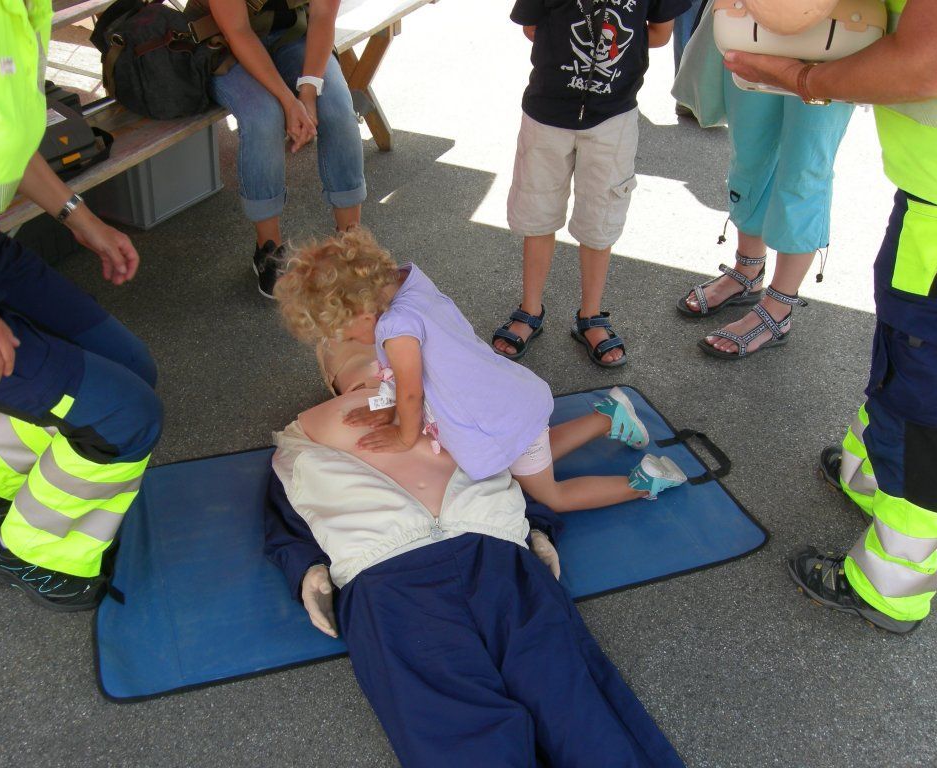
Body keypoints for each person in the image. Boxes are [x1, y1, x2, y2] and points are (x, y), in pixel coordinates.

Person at [264, 370, 685, 767]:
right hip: (387, 579)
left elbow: (520, 475)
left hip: (495, 553)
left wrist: (534, 528)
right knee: (454, 728)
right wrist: (307, 570)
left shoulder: (450, 404)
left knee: (568, 697)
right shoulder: (299, 445)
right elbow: (288, 515)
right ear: (331, 380)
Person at [0, 0, 162, 611]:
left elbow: (4, 135)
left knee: (131, 368)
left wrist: (80, 218)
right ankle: (31, 550)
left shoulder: (22, 10)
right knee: (126, 414)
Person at [722, 0, 937, 633]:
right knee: (902, 356)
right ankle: (868, 472)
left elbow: (923, 61)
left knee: (925, 403)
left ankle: (891, 587)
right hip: (926, 198)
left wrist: (805, 81)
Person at [274, 228, 688, 512]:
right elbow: (408, 379)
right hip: (506, 395)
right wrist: (384, 410)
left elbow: (412, 392)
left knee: (550, 495)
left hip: (497, 418)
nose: (351, 339)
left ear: (362, 306)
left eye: (346, 329)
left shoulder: (395, 331)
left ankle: (644, 482)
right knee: (528, 453)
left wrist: (401, 436)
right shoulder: (407, 283)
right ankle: (608, 418)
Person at [491, 0, 690, 368]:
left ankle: (591, 315)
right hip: (546, 114)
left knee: (601, 218)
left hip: (612, 117)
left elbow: (660, 34)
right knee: (537, 212)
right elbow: (531, 27)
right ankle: (530, 309)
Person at [675, 2, 855, 360]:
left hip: (837, 26)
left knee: (805, 168)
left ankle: (779, 306)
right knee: (750, 152)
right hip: (754, 18)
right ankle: (748, 269)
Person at [186, 0, 367, 298]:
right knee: (263, 117)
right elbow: (238, 31)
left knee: (336, 110)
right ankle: (268, 249)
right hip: (223, 43)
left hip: (290, 33)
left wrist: (308, 91)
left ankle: (351, 243)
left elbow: (322, 15)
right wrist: (289, 101)